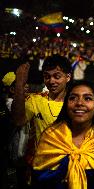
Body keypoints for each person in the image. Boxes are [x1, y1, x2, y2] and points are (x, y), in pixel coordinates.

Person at [32, 81, 94, 189]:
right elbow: (39, 181)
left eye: (87, 98)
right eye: (73, 98)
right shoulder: (50, 138)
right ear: (66, 105)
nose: (79, 103)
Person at [11, 55, 72, 186]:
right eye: (47, 76)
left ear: (68, 77)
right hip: (41, 169)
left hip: (70, 169)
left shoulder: (76, 103)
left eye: (57, 76)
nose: (51, 81)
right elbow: (18, 120)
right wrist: (20, 84)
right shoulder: (35, 100)